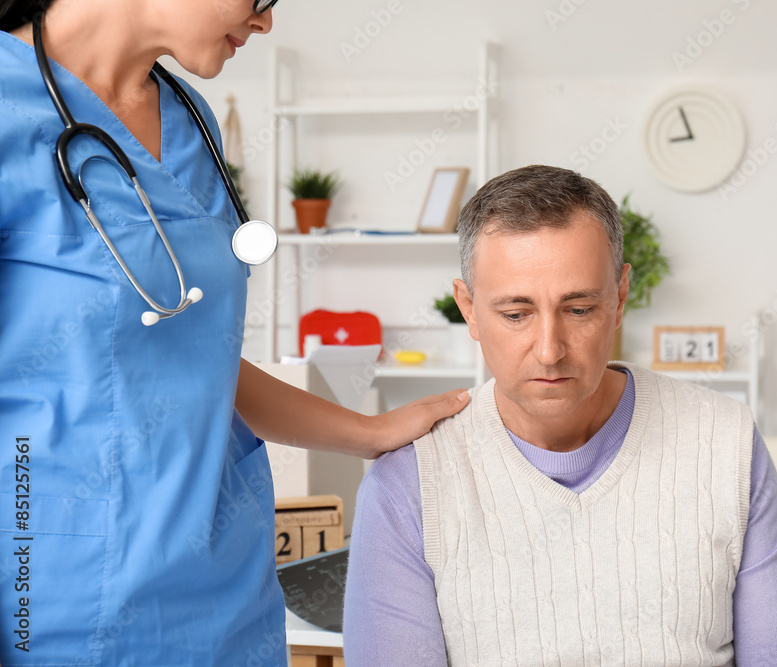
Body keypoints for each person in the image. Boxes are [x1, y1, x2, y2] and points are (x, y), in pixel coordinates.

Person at [0, 1, 468, 664]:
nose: (267, 22)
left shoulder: (190, 118)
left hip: (225, 599)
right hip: (56, 600)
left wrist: (370, 433)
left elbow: (197, 354)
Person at [344, 165, 777, 665]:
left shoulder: (725, 444)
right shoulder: (408, 485)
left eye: (578, 310)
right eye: (515, 314)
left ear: (619, 298)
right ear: (468, 308)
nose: (549, 351)